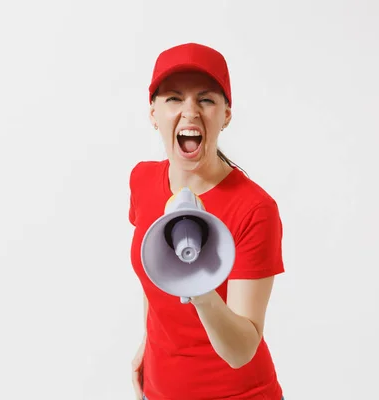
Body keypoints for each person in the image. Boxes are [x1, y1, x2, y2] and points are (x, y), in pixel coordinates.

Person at [128, 42, 286, 400]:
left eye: (206, 99)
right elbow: (152, 271)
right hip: (160, 389)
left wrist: (198, 286)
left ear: (226, 115)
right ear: (153, 113)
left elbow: (242, 350)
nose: (190, 113)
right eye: (172, 99)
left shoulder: (254, 209)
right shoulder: (141, 180)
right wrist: (148, 344)